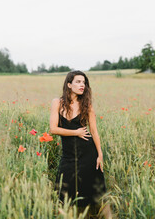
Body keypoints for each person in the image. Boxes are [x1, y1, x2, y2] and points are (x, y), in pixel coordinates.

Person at [50, 70, 112, 219]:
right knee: (64, 191)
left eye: (84, 82)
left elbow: (94, 131)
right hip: (68, 156)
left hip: (88, 154)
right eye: (78, 82)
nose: (82, 85)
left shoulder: (86, 105)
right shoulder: (57, 103)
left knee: (97, 192)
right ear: (69, 84)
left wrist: (100, 154)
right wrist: (76, 132)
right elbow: (53, 129)